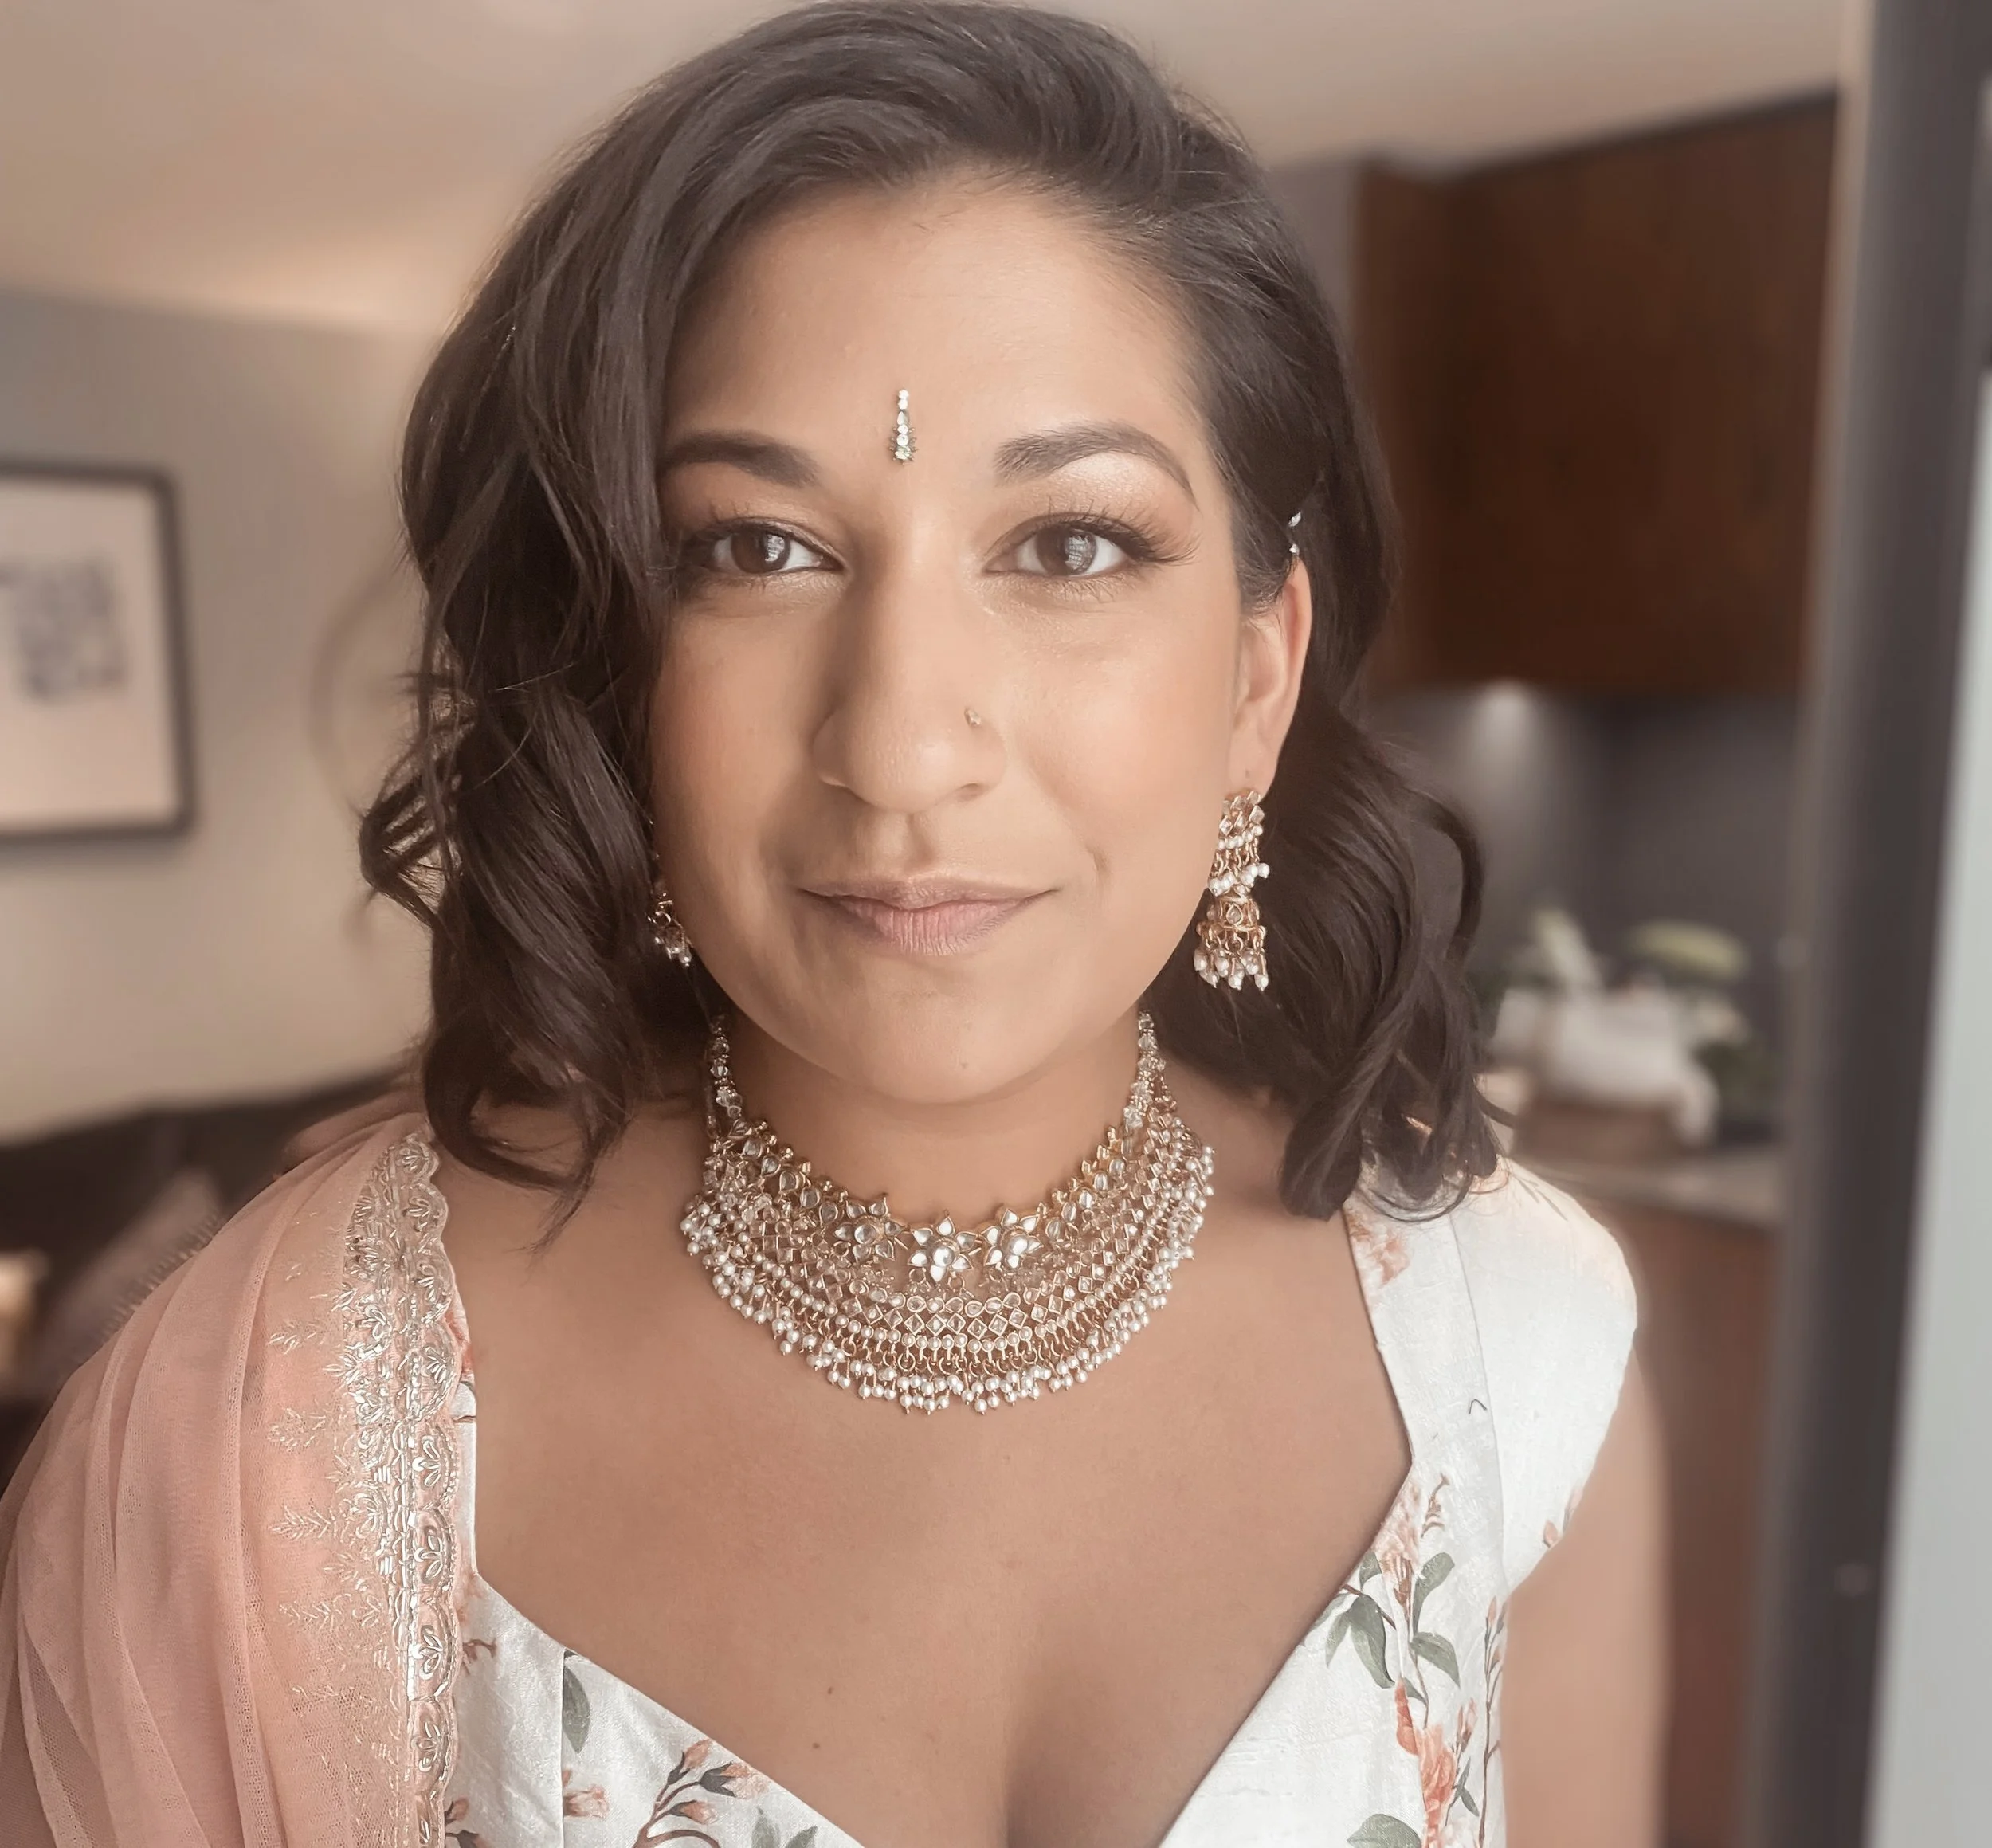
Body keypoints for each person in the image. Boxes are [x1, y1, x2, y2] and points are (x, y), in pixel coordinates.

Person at [0, 6, 1665, 1844]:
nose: (897, 742)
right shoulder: (266, 1423)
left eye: (1069, 544)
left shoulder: (1514, 1359)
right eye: (757, 548)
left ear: (1258, 678)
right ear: (623, 660)